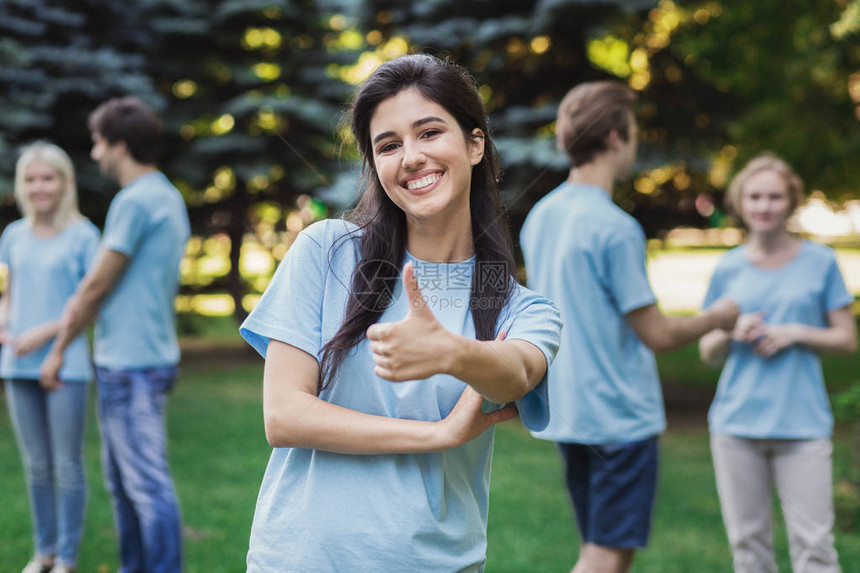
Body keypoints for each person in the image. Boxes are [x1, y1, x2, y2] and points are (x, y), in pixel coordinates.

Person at [238, 53, 562, 572]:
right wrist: (436, 436)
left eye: (429, 132)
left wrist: (453, 352)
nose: (410, 157)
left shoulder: (513, 304)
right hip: (300, 560)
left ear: (475, 143)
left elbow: (518, 371)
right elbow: (284, 415)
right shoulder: (327, 251)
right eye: (388, 146)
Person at [520, 80, 740, 573]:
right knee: (605, 557)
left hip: (570, 411)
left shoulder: (541, 216)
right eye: (634, 131)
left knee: (599, 551)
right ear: (617, 137)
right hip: (618, 416)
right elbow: (657, 335)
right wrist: (717, 318)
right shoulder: (615, 226)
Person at [40, 97, 190, 573]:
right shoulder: (166, 194)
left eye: (99, 142)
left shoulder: (135, 200)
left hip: (131, 365)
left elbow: (95, 286)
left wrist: (59, 348)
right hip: (142, 359)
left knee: (143, 486)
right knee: (127, 485)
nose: (96, 152)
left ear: (119, 145)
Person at [699, 153, 856, 573]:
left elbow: (847, 340)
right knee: (749, 549)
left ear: (791, 202)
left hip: (802, 424)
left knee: (815, 547)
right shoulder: (728, 265)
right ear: (740, 202)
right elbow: (707, 351)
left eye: (774, 197)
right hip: (736, 425)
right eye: (754, 197)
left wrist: (796, 333)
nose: (764, 206)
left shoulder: (820, 262)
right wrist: (729, 331)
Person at [0, 143, 100, 573]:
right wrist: (4, 325)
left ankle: (67, 558)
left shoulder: (84, 235)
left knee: (66, 465)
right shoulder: (12, 236)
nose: (39, 187)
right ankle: (43, 553)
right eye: (31, 179)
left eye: (48, 177)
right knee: (36, 467)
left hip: (65, 363)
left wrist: (42, 333)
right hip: (16, 364)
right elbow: (9, 292)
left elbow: (87, 303)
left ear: (65, 183)